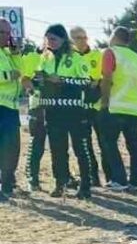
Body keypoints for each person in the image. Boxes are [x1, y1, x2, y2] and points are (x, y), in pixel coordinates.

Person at [36, 23, 94, 199]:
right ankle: (60, 183)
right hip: (52, 111)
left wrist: (61, 80)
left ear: (63, 39)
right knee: (57, 149)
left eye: (53, 39)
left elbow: (86, 82)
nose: (50, 42)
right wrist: (38, 80)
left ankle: (85, 185)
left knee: (80, 148)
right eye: (47, 39)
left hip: (73, 110)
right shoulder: (45, 58)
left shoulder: (76, 57)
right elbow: (41, 81)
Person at [99, 26, 137, 191]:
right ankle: (135, 182)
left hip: (115, 106)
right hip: (135, 108)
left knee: (109, 142)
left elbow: (107, 78)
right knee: (134, 145)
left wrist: (104, 101)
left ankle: (119, 179)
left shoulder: (110, 52)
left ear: (114, 37)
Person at [70, 26, 104, 186]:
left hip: (97, 106)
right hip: (79, 107)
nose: (82, 41)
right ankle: (92, 177)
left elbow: (100, 79)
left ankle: (111, 177)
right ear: (71, 40)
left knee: (104, 142)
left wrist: (94, 82)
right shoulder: (69, 58)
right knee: (85, 144)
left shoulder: (97, 55)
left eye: (84, 37)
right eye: (78, 38)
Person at [0, 18, 22, 201]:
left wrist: (16, 54)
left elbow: (21, 72)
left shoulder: (8, 53)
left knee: (12, 148)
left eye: (8, 33)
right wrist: (8, 75)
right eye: (2, 32)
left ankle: (7, 183)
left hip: (11, 107)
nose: (6, 36)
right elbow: (11, 75)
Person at [20, 38, 45, 191]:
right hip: (37, 106)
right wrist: (32, 91)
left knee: (58, 144)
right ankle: (32, 177)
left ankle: (64, 177)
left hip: (56, 107)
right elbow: (24, 78)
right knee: (37, 142)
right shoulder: (32, 58)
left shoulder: (60, 59)